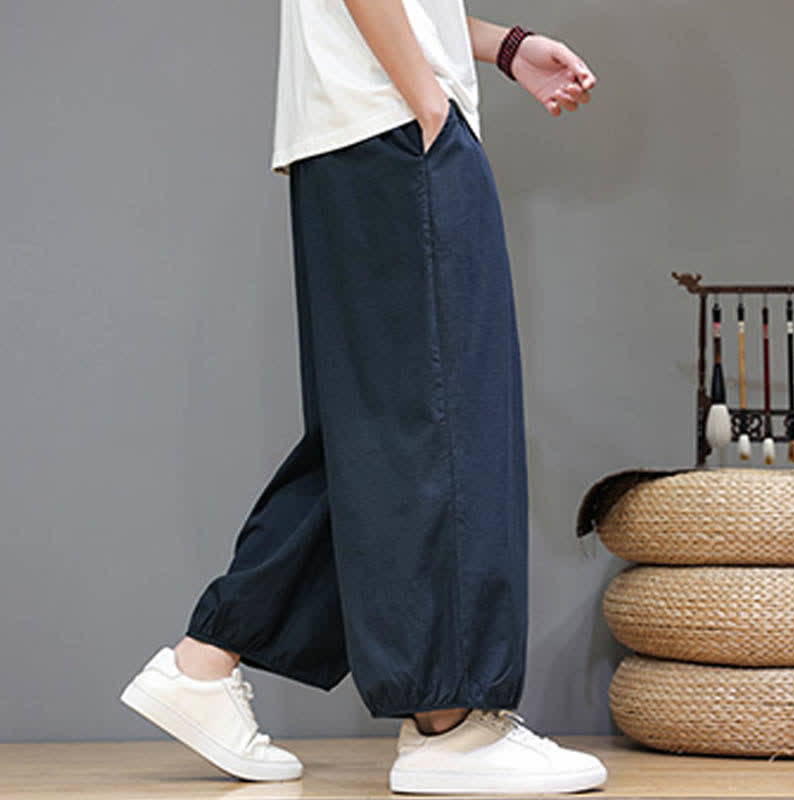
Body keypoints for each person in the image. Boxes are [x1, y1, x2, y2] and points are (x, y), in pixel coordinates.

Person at [120, 0, 606, 793]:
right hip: (392, 124)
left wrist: (503, 47)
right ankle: (450, 728)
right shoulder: (409, 116)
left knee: (378, 427)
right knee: (441, 421)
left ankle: (203, 665)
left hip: (361, 131)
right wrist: (427, 102)